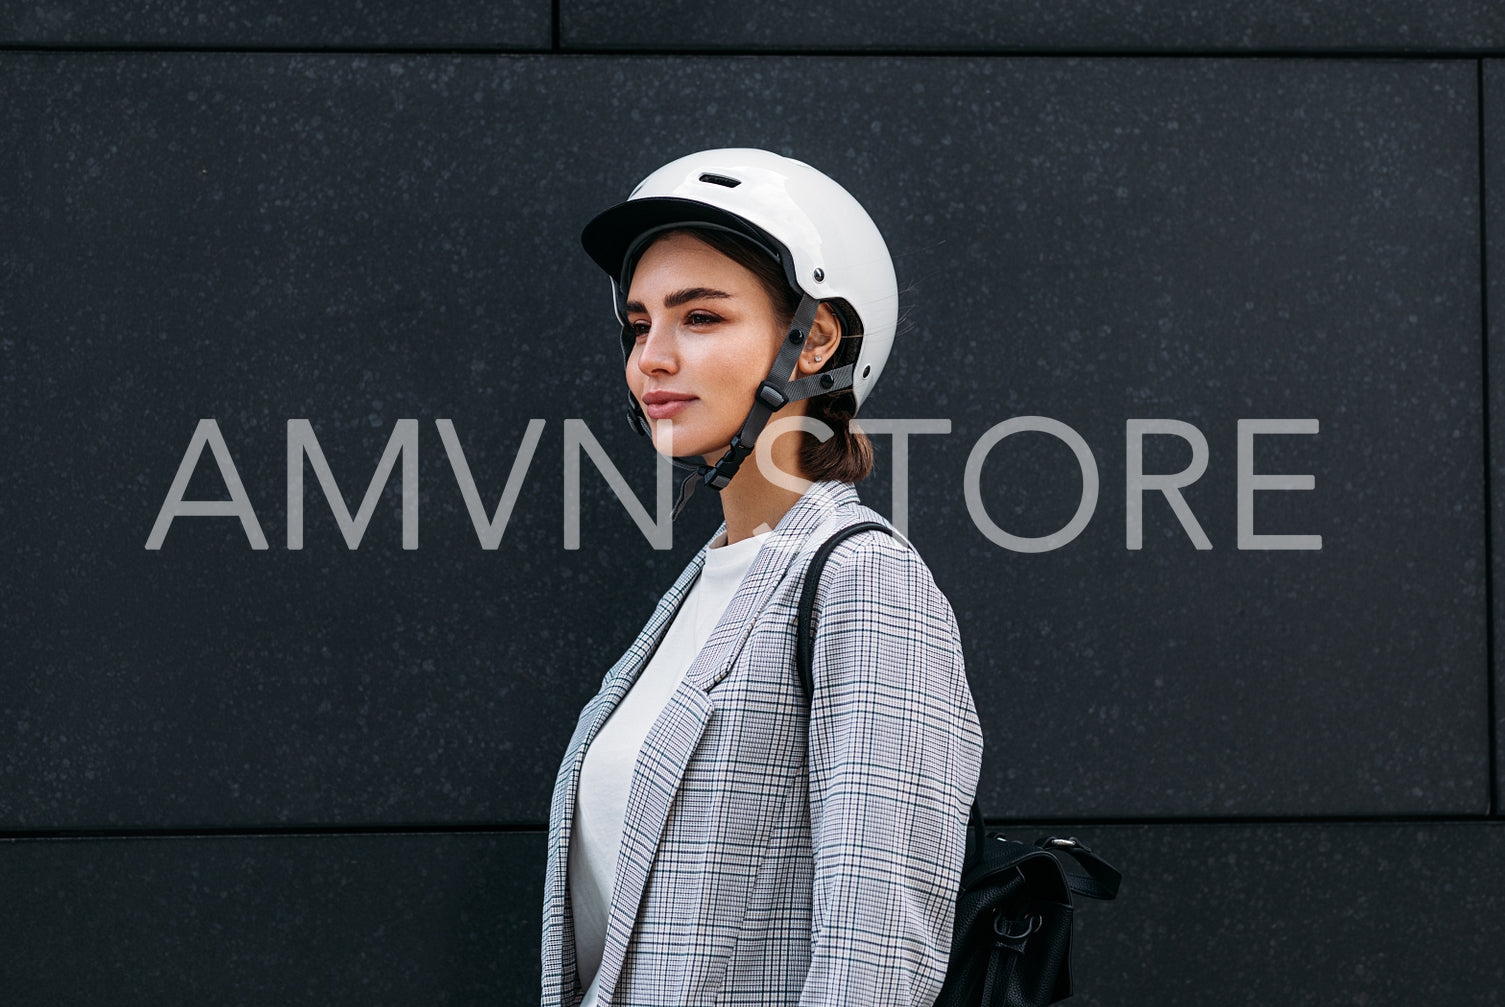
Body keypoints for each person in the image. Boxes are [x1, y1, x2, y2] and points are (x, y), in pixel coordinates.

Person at [541, 148, 983, 1007]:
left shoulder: (861, 579)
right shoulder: (707, 588)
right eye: (639, 325)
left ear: (814, 336)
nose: (652, 359)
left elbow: (877, 960)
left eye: (698, 317)